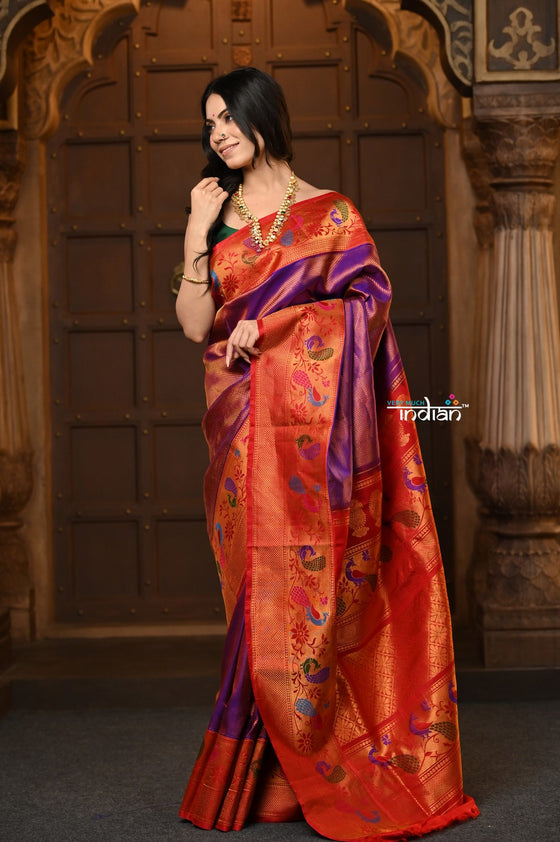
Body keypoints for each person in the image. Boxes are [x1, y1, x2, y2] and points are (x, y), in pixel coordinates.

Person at [176, 67, 478, 840]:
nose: (218, 133)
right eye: (209, 123)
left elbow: (367, 310)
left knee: (315, 591)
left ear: (262, 115)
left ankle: (296, 774)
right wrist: (193, 233)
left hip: (318, 441)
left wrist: (278, 328)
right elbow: (196, 325)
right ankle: (265, 776)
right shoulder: (215, 210)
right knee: (259, 594)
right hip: (245, 427)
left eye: (227, 118)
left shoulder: (332, 213)